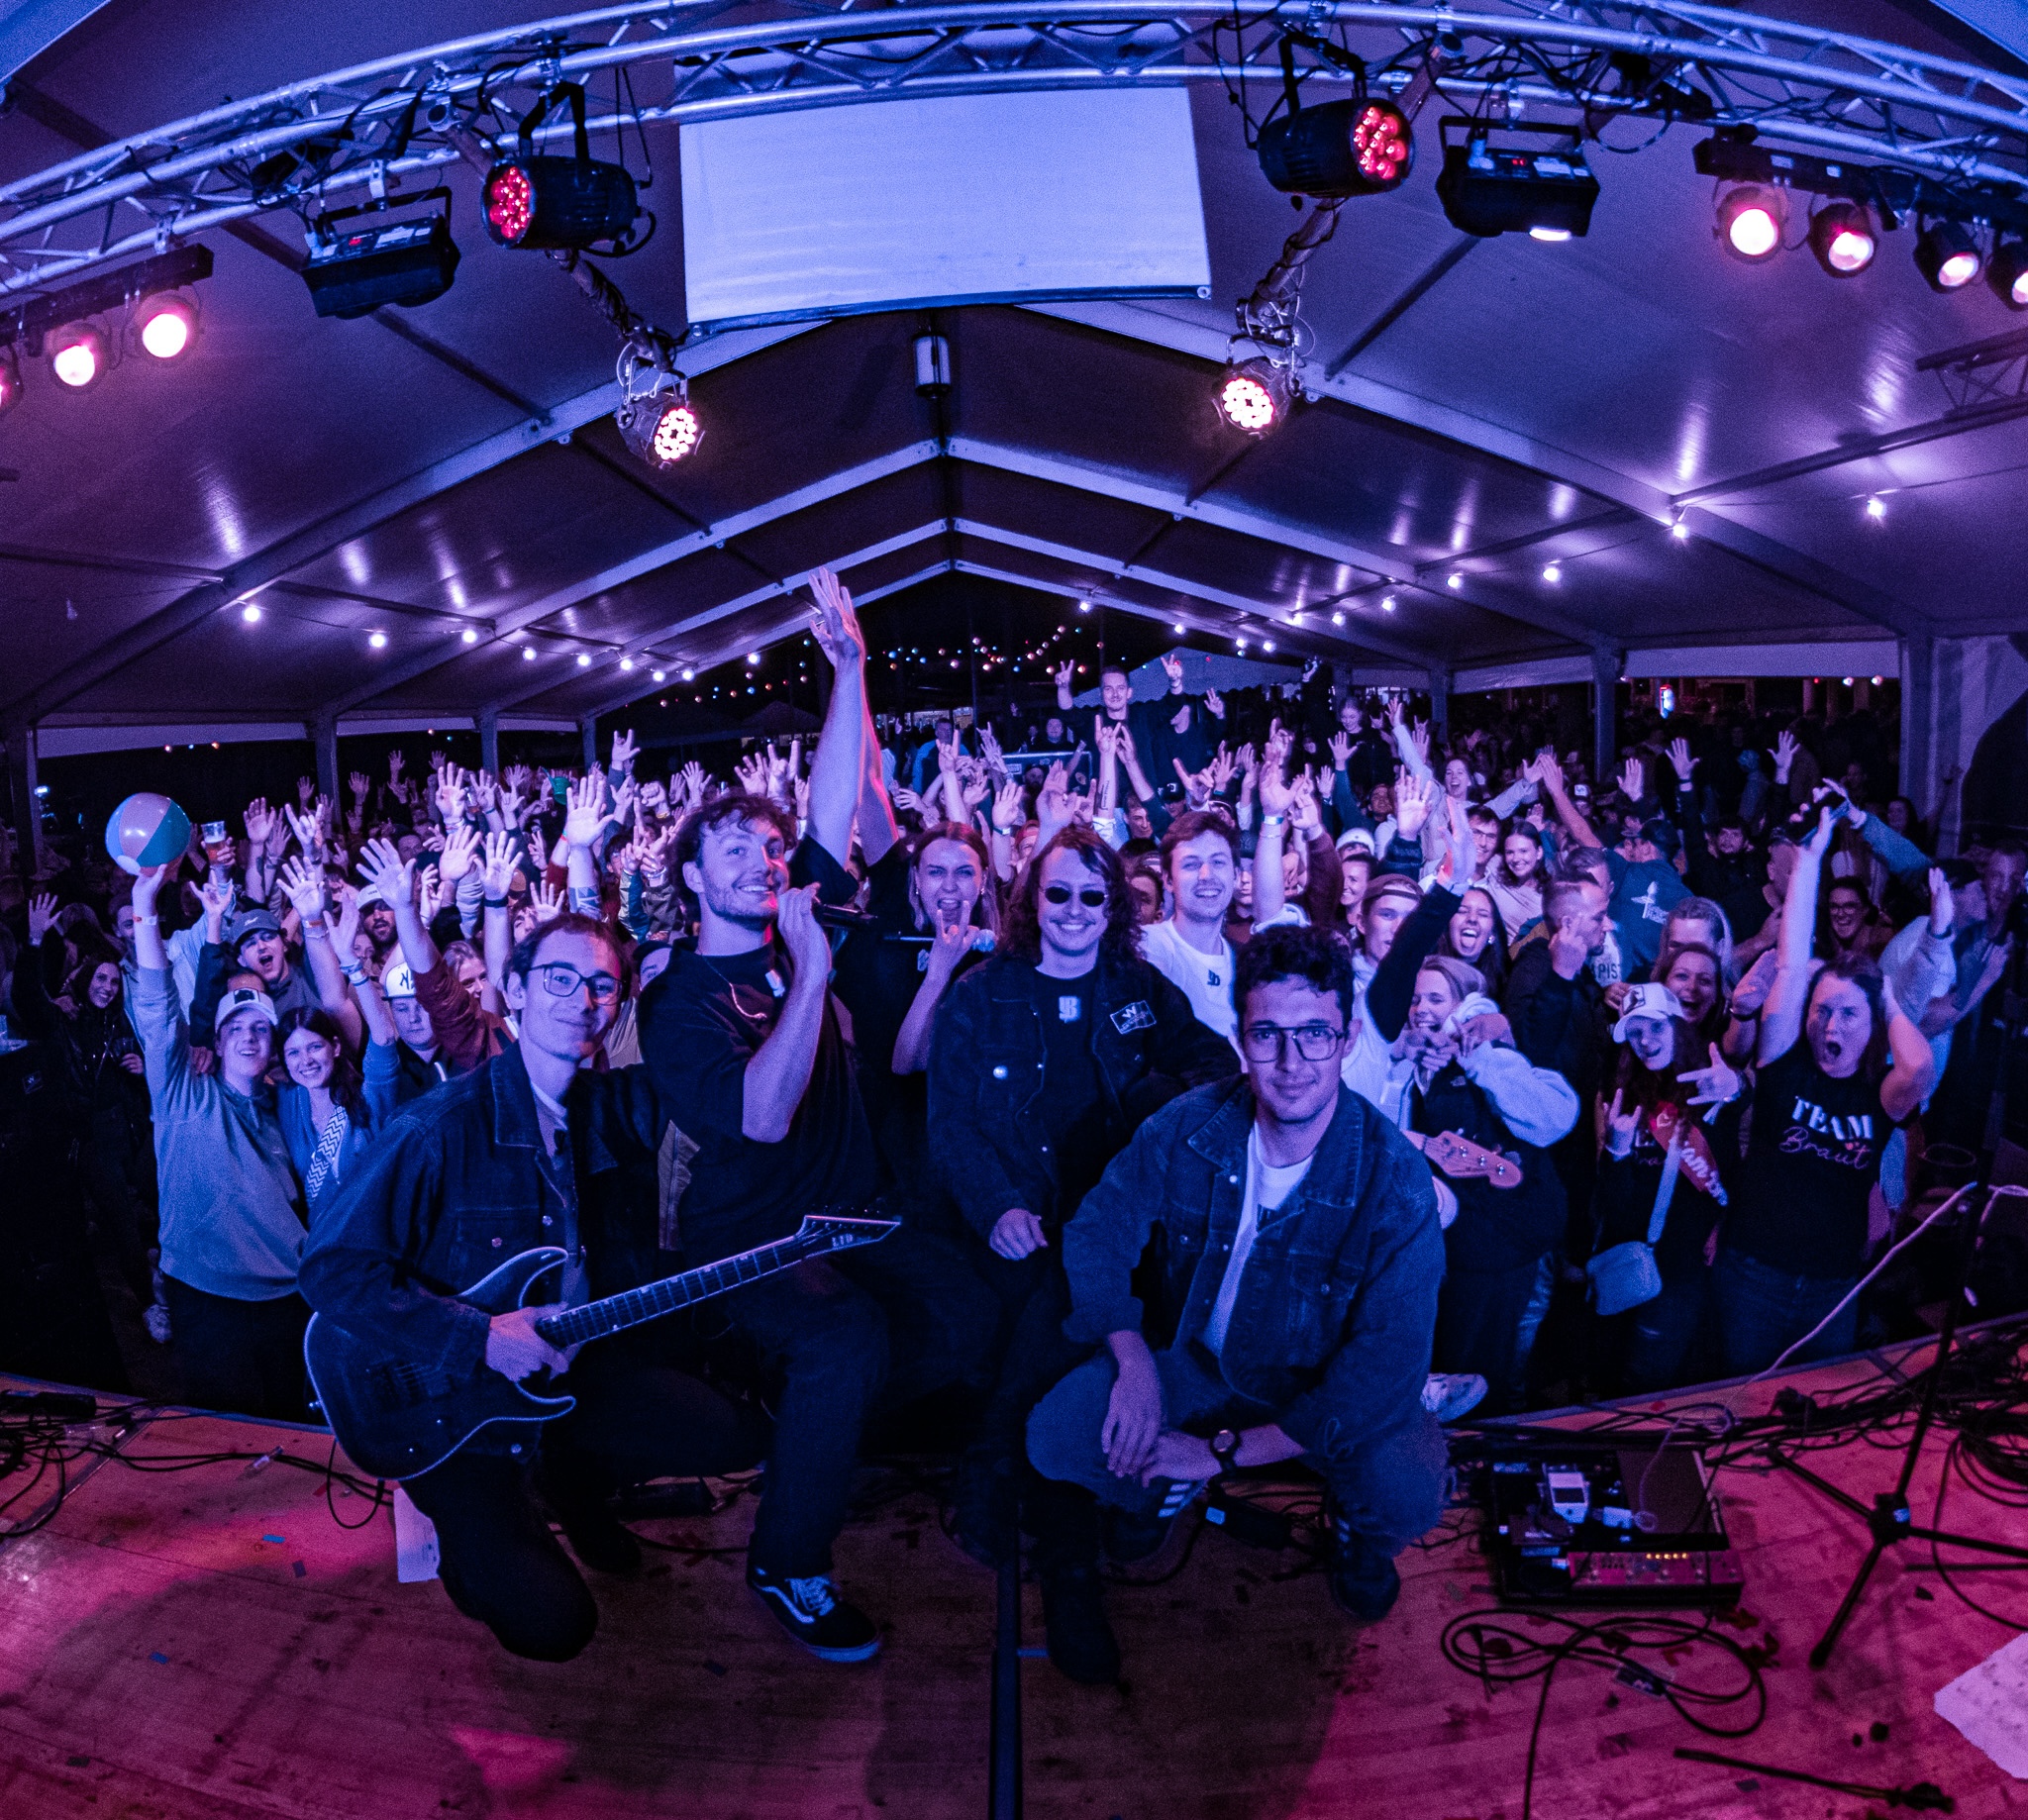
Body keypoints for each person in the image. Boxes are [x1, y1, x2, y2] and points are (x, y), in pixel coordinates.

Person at [637, 566, 992, 1663]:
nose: (761, 855)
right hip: (746, 1239)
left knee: (975, 1313)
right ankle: (788, 1561)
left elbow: (833, 802)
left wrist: (850, 668)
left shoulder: (804, 904)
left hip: (851, 1215)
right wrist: (809, 968)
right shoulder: (677, 997)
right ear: (688, 876)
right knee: (844, 1338)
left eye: (766, 844)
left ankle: (814, 1433)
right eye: (730, 847)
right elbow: (759, 1116)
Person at [298, 915, 770, 1663]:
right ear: (513, 989)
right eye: (558, 978)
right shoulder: (438, 1128)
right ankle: (460, 1537)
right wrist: (479, 1337)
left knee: (734, 1434)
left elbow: (731, 1088)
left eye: (600, 984)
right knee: (552, 1626)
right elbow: (330, 1271)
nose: (580, 998)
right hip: (450, 1404)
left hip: (565, 1371)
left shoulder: (611, 1110)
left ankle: (569, 1482)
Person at [1026, 926, 1447, 1660]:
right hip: (1201, 1365)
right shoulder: (1189, 1126)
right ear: (1239, 1036)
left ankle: (1354, 1536)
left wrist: (1221, 1453)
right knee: (1056, 1434)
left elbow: (1387, 1366)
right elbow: (1097, 1231)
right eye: (1268, 1036)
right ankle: (1152, 1484)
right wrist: (1132, 1363)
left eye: (1313, 1034)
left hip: (1322, 1388)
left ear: (1346, 1038)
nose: (1290, 1063)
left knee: (1408, 1487)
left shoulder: (1393, 1179)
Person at [930, 825, 1239, 1681]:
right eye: (1057, 893)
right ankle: (1071, 1566)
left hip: (1118, 1227)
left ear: (1115, 908)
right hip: (1021, 1230)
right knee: (1064, 1316)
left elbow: (1211, 1063)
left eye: (1091, 896)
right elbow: (949, 1123)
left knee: (1075, 1323)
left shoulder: (1138, 987)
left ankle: (1003, 1478)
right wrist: (997, 1205)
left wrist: (1153, 1108)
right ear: (1032, 899)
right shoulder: (981, 992)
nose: (1072, 910)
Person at [1713, 808, 1933, 1374]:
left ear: (1872, 1024)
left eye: (1848, 1015)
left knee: (1810, 1418)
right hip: (1754, 1276)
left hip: (1833, 1288)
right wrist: (1810, 863)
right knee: (1740, 1405)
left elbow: (1918, 1068)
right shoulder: (1786, 1064)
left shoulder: (1877, 1094)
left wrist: (1880, 992)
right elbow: (1789, 966)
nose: (1831, 1027)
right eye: (1822, 1011)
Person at [127, 861, 311, 1419]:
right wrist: (144, 906)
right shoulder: (184, 1091)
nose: (251, 1036)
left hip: (288, 1294)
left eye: (261, 1028)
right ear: (218, 1038)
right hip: (206, 1295)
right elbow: (158, 1008)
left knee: (296, 1432)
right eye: (238, 1028)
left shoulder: (289, 1101)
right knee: (227, 1437)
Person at [1377, 956, 1577, 1408]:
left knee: (1495, 1375)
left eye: (1436, 997)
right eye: (1414, 998)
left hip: (1510, 1245)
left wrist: (1480, 1058)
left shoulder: (1489, 1053)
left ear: (1462, 1005)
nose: (1422, 1008)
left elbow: (1552, 1119)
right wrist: (1399, 1062)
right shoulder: (1412, 1065)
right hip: (1457, 1248)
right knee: (1453, 1371)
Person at [1595, 983, 1743, 1392]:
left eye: (1656, 1028)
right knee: (1620, 1372)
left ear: (1678, 1027)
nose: (1645, 1041)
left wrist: (1736, 1089)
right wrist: (1618, 1153)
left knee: (1656, 1377)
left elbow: (1737, 1166)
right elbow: (1613, 1203)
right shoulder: (1619, 1094)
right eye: (1635, 1031)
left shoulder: (1707, 1088)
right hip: (1630, 1255)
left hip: (1685, 1266)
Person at [1139, 810, 1243, 1050]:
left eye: (1218, 862)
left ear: (1236, 875)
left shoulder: (1247, 960)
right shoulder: (1146, 946)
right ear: (1168, 880)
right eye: (1191, 864)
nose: (1206, 875)